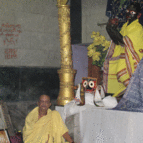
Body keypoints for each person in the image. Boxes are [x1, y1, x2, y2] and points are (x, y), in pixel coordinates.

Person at [103, 2, 143, 97]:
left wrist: (113, 29)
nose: (128, 14)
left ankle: (135, 94)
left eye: (132, 12)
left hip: (133, 58)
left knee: (122, 74)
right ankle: (132, 94)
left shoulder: (138, 27)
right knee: (120, 74)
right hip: (124, 56)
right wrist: (109, 28)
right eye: (127, 11)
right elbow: (117, 41)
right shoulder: (125, 26)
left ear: (138, 15)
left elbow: (124, 41)